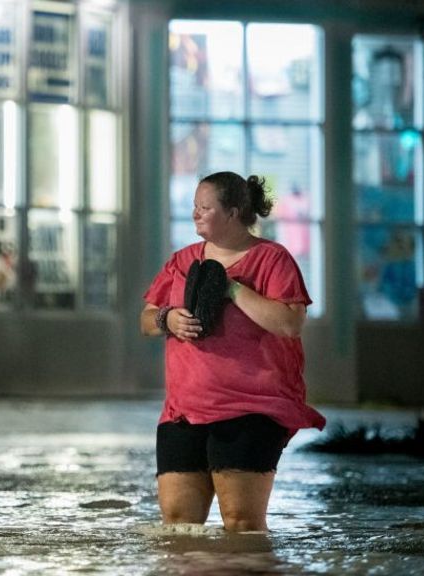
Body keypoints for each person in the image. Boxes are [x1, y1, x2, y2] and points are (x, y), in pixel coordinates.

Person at [140, 171, 326, 532]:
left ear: (233, 212)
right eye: (194, 206)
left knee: (242, 525)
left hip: (251, 410)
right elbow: (145, 319)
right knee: (178, 526)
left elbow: (290, 323)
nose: (195, 214)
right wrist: (168, 319)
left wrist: (233, 290)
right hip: (184, 411)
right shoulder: (182, 261)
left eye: (205, 207)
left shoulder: (272, 259)